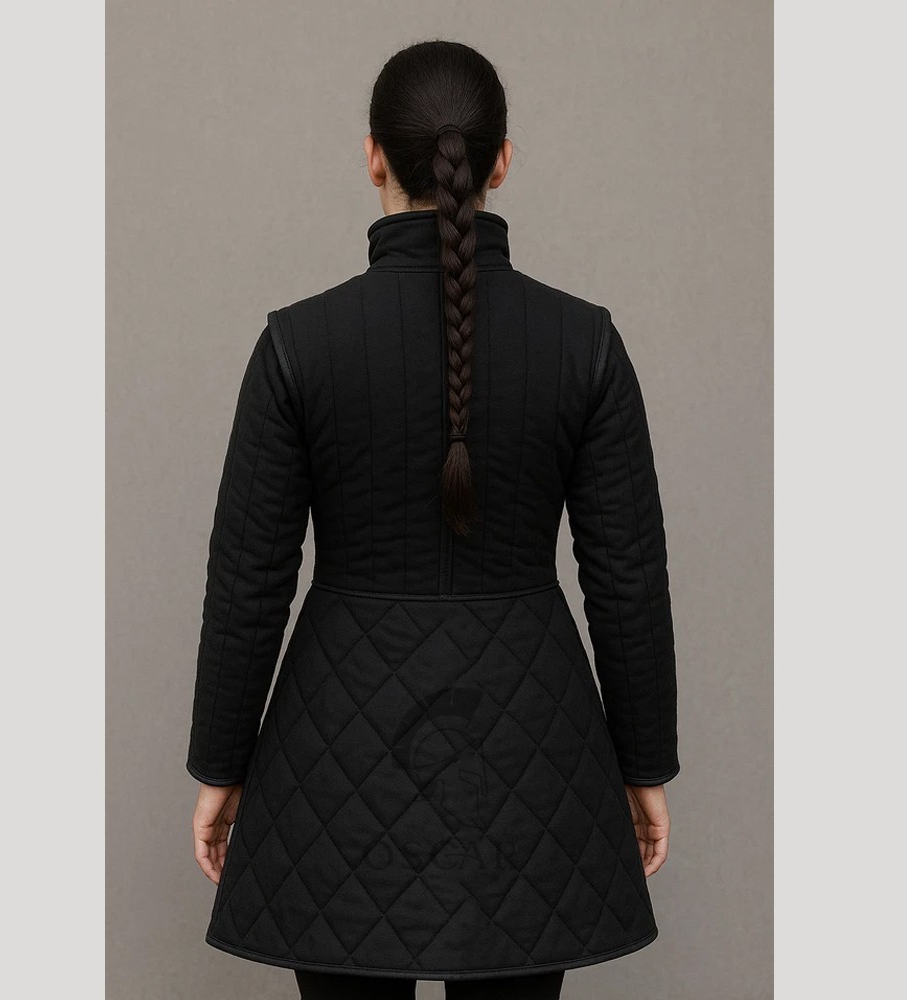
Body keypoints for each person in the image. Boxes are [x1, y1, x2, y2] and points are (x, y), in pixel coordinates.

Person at [186, 40, 679, 1000]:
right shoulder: (584, 343)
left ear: (373, 155)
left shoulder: (299, 344)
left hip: (337, 754)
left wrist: (220, 763)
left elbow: (248, 581)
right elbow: (627, 577)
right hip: (531, 747)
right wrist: (644, 760)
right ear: (502, 162)